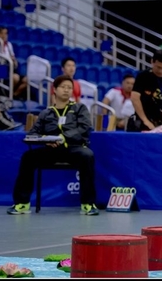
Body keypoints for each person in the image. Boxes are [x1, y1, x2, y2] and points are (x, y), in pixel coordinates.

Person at [7, 75, 99, 215]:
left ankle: (88, 204)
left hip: (73, 149)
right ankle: (22, 203)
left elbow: (84, 128)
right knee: (28, 157)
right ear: (54, 90)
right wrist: (46, 140)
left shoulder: (79, 108)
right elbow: (33, 133)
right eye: (63, 87)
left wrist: (63, 137)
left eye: (69, 88)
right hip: (51, 150)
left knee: (88, 155)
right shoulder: (46, 113)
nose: (66, 90)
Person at [127, 49, 162, 132]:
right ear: (152, 62)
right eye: (158, 67)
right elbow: (135, 98)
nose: (161, 71)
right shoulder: (143, 76)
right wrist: (145, 120)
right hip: (144, 119)